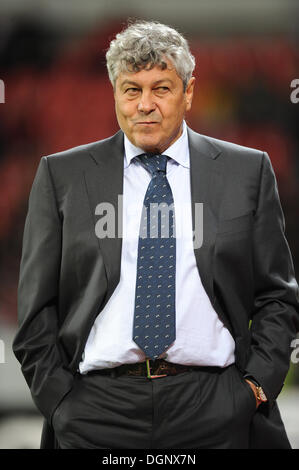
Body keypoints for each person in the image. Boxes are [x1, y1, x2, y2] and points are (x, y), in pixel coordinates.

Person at [13, 20, 299, 449]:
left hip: (216, 407)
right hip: (97, 410)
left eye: (161, 88)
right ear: (114, 94)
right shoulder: (62, 175)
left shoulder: (247, 172)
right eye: (131, 90)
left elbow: (278, 295)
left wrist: (254, 388)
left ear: (188, 93)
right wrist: (60, 401)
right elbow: (36, 308)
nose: (145, 104)